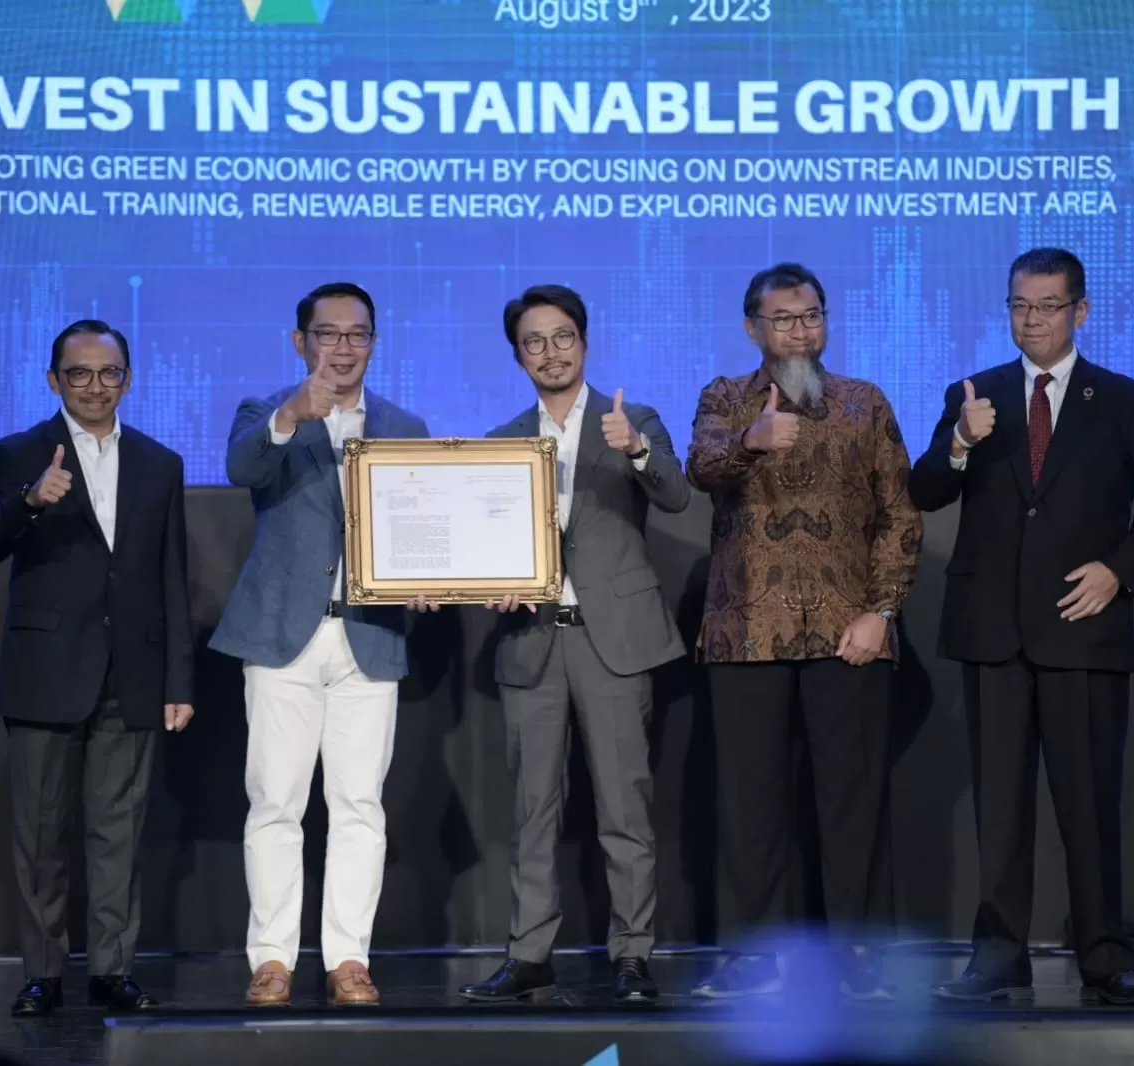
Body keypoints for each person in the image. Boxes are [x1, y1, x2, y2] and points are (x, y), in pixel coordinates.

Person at [908, 248, 1134, 1007]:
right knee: (998, 810)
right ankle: (996, 959)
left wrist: (1119, 570)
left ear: (1080, 310)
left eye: (1045, 305)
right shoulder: (974, 393)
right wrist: (960, 442)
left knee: (1088, 806)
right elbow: (923, 490)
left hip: (1083, 633)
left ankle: (1102, 959)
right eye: (1017, 305)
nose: (1030, 319)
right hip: (991, 633)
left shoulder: (1122, 400)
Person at [684, 263, 921, 1000]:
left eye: (810, 315)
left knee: (850, 802)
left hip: (845, 632)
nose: (799, 330)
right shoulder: (725, 398)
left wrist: (879, 612)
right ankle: (755, 955)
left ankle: (857, 955)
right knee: (750, 804)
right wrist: (750, 441)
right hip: (746, 630)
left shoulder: (863, 402)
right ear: (752, 327)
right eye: (782, 319)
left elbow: (898, 517)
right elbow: (700, 468)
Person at [457, 285, 690, 1006]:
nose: (550, 352)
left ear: (584, 344)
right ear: (518, 355)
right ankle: (529, 956)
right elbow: (481, 550)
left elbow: (676, 498)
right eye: (535, 341)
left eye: (563, 337)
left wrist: (640, 450)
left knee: (625, 809)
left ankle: (631, 955)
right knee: (532, 813)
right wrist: (490, 584)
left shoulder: (632, 419)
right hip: (530, 642)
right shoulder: (499, 442)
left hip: (612, 642)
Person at [210, 282, 431, 1008]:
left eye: (358, 334)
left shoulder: (404, 424)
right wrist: (288, 417)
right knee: (275, 801)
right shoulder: (264, 412)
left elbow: (422, 529)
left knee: (359, 805)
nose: (343, 347)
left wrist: (425, 580)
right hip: (282, 635)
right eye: (327, 334)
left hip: (369, 637)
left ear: (374, 341)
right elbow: (242, 469)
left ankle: (347, 959)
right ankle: (271, 958)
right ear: (300, 340)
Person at [0, 319, 194, 1017]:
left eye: (108, 374)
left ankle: (111, 970)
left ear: (128, 379)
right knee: (40, 838)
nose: (94, 386)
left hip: (132, 676)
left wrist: (178, 683)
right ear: (53, 380)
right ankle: (42, 974)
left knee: (117, 834)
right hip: (44, 674)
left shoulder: (160, 463)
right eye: (79, 373)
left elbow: (171, 578)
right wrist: (30, 501)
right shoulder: (18, 454)